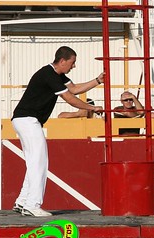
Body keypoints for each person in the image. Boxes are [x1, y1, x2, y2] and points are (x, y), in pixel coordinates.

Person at [11, 46, 104, 217]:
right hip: (28, 120)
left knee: (33, 161)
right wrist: (92, 107)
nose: (73, 66)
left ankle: (23, 201)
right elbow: (70, 99)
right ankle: (32, 204)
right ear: (62, 61)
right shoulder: (49, 75)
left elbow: (75, 89)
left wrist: (98, 80)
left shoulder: (56, 74)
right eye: (72, 63)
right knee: (40, 162)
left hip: (24, 120)